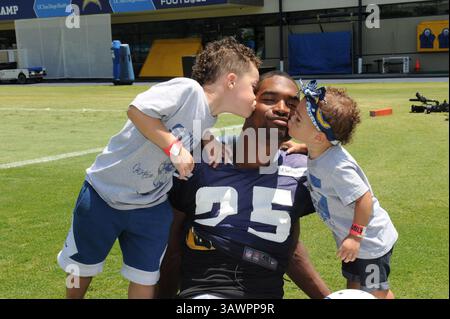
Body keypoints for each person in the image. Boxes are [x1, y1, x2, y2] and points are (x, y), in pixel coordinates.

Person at [56, 37, 261, 299]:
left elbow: (194, 126)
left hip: (150, 206)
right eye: (253, 86)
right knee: (81, 267)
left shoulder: (210, 116)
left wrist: (209, 139)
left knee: (145, 275)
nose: (256, 97)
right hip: (104, 195)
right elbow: (138, 109)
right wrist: (174, 148)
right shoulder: (187, 90)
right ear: (231, 81)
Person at [158, 71, 331, 299]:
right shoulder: (200, 162)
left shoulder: (301, 169)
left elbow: (288, 245)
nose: (281, 108)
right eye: (269, 99)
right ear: (250, 102)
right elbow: (171, 249)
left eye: (291, 104)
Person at [288, 80, 398, 299]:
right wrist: (302, 147)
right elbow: (320, 150)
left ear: (319, 137)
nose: (291, 116)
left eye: (297, 118)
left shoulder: (337, 168)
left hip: (370, 243)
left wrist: (355, 237)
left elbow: (364, 199)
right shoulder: (319, 148)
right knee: (354, 288)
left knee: (374, 293)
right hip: (354, 243)